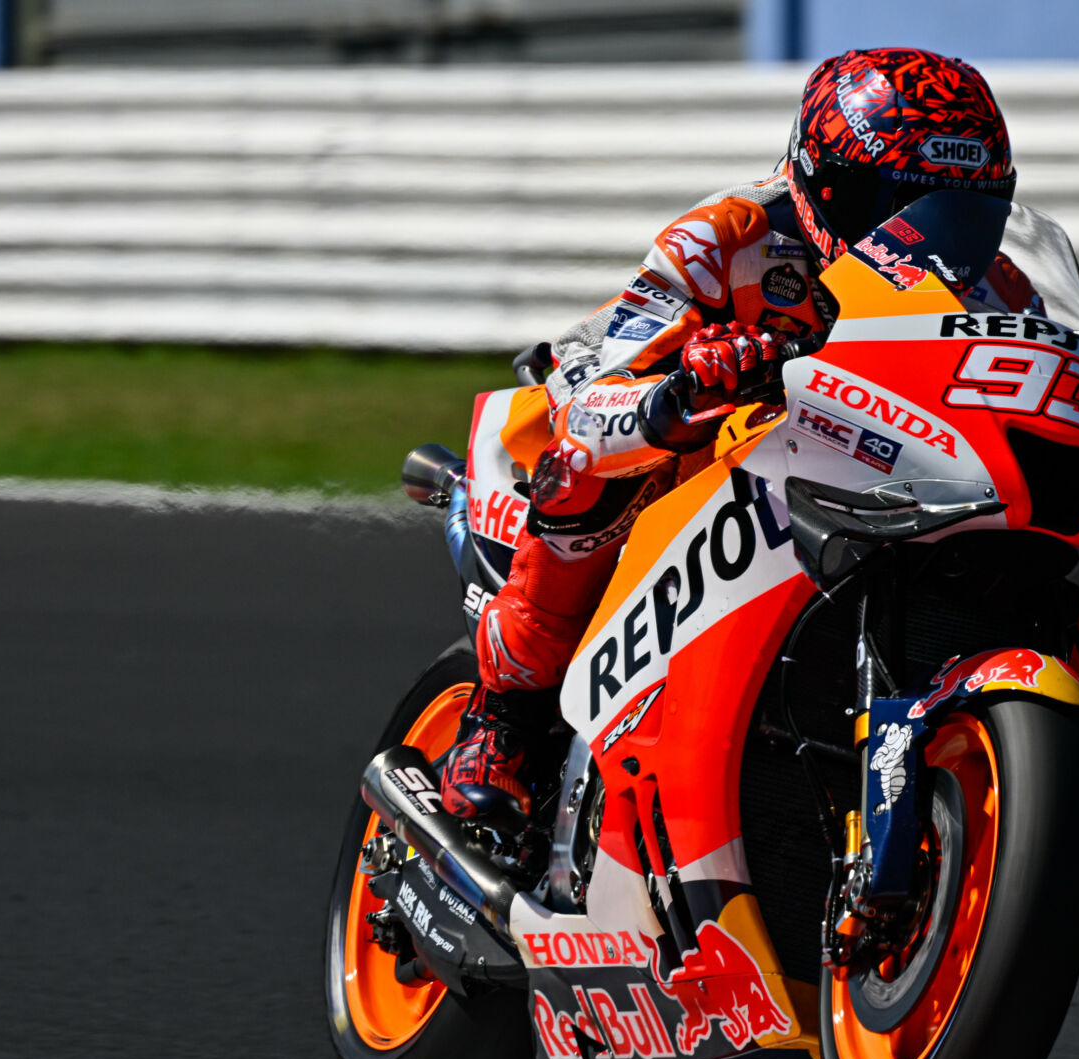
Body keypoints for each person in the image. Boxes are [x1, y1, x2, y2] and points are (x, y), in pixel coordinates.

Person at [439, 47, 1032, 829]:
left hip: (859, 471)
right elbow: (591, 395)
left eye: (957, 214)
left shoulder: (998, 286)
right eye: (889, 206)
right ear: (818, 180)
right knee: (586, 463)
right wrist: (680, 393)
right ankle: (503, 721)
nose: (919, 239)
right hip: (669, 457)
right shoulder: (727, 238)